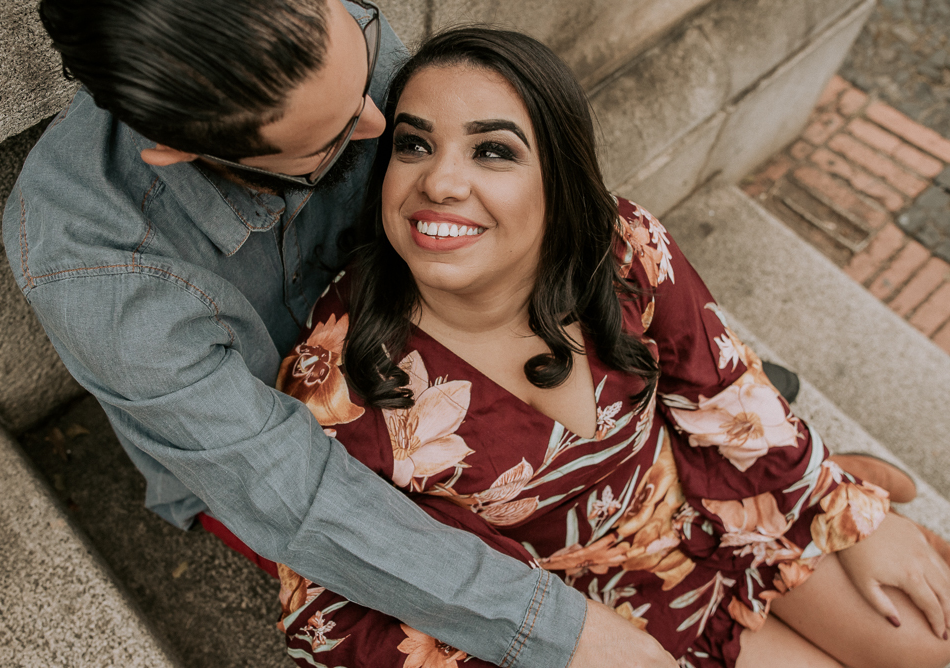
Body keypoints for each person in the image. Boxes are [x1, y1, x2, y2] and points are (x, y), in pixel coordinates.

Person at [2, 0, 684, 666]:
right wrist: (556, 630)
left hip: (406, 337)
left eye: (361, 74)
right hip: (267, 459)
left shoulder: (334, 36)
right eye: (329, 143)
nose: (378, 121)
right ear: (182, 152)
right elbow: (286, 491)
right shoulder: (92, 265)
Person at [261, 27, 950, 668]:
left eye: (493, 150)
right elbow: (326, 612)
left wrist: (843, 507)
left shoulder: (618, 245)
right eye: (414, 145)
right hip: (597, 619)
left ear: (558, 182)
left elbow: (723, 388)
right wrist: (544, 643)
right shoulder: (338, 384)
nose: (438, 182)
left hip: (722, 501)